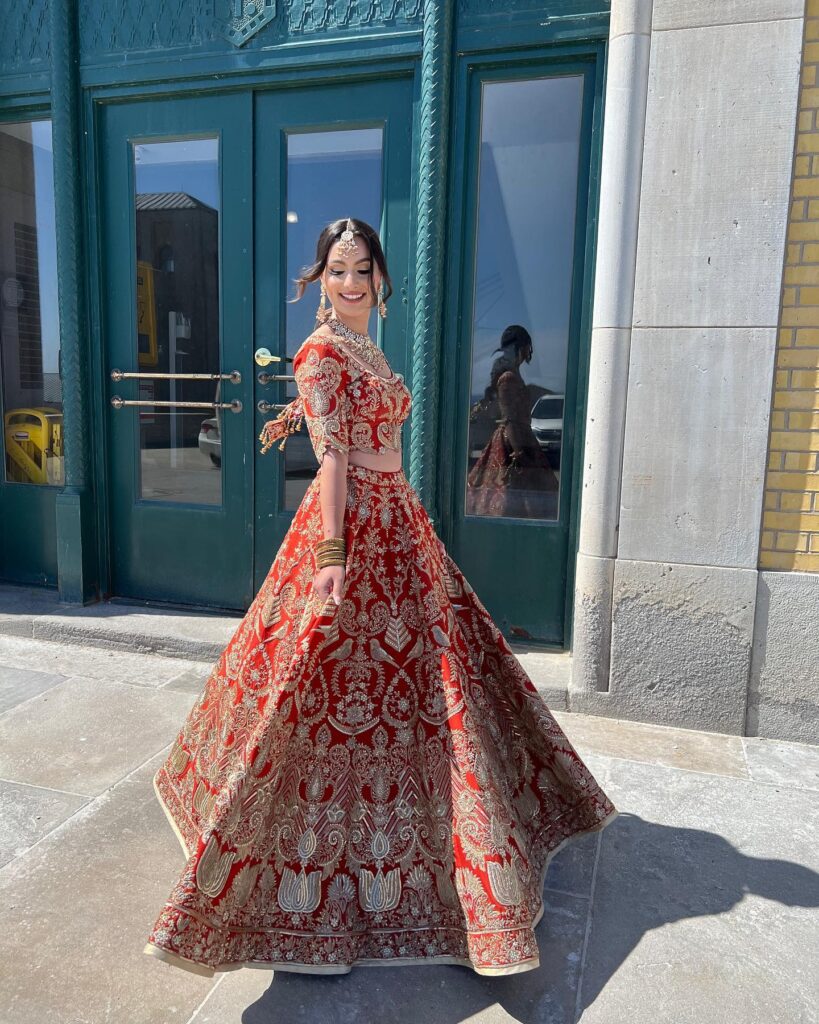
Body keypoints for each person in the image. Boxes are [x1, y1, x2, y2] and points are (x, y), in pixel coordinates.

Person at [144, 217, 617, 978]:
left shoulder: (365, 346)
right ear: (319, 279)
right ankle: (289, 876)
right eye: (338, 270)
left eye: (363, 268)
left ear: (380, 275)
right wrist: (332, 556)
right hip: (350, 526)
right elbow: (329, 458)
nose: (352, 282)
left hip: (396, 514)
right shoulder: (322, 351)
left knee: (439, 683)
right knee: (316, 688)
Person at [466, 325, 559, 520]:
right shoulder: (508, 378)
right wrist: (519, 452)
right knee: (513, 493)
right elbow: (509, 417)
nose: (528, 352)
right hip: (514, 438)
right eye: (527, 347)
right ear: (521, 347)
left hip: (519, 434)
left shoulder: (513, 375)